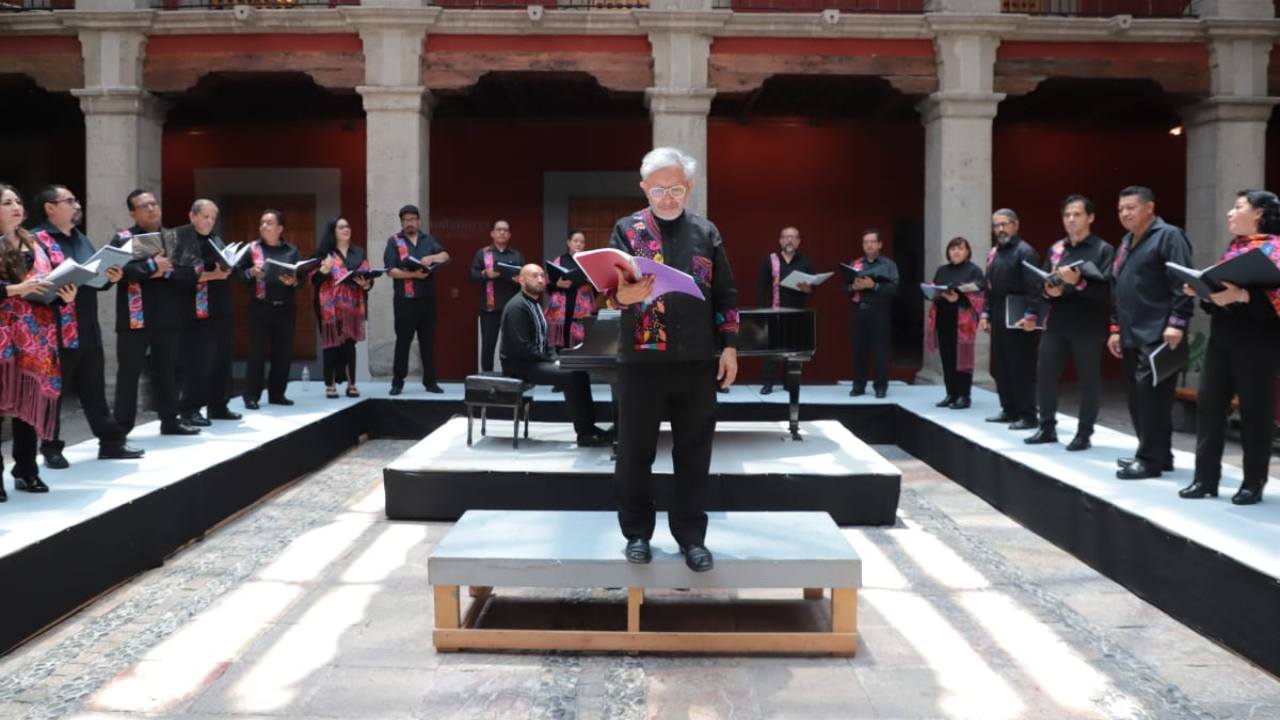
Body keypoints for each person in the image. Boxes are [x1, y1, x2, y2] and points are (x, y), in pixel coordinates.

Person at [609, 147, 738, 573]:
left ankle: (691, 537)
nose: (668, 196)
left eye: (676, 188)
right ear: (644, 188)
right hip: (641, 363)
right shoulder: (627, 230)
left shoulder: (707, 232)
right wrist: (622, 295)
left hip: (697, 362)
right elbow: (611, 291)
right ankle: (637, 534)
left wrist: (731, 347)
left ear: (690, 188)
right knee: (634, 454)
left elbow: (726, 295)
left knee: (694, 454)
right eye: (659, 188)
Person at [1178, 190, 1280, 504]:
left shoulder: (1275, 248)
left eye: (1237, 207)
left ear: (1259, 213)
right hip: (1222, 339)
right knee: (1209, 406)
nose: (1229, 213)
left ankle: (1253, 483)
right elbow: (1222, 294)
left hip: (1258, 343)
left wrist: (1242, 297)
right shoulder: (1234, 248)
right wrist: (1205, 291)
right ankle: (1205, 478)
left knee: (1254, 413)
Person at [31, 185, 140, 466]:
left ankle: (111, 443)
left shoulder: (82, 239)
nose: (77, 205)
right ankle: (51, 447)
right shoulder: (36, 240)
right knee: (52, 392)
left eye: (76, 200)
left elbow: (96, 282)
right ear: (50, 208)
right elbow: (35, 287)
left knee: (94, 389)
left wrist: (111, 276)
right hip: (54, 330)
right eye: (70, 201)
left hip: (87, 326)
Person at [1108, 186, 1193, 480]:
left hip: (1159, 333)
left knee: (1151, 398)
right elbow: (1117, 287)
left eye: (1131, 207)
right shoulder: (1126, 241)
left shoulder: (1169, 236)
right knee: (1137, 396)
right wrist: (1115, 327)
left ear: (1149, 208)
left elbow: (1183, 281)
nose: (1125, 214)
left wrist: (1178, 321)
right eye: (1120, 209)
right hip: (1131, 332)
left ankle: (1149, 459)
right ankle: (1159, 453)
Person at [1025, 195, 1115, 451]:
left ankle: (1084, 433)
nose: (1071, 219)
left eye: (1076, 214)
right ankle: (1046, 427)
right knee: (1045, 375)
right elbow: (1042, 284)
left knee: (1088, 380)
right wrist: (1048, 292)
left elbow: (1107, 292)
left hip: (1088, 324)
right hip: (1057, 322)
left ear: (1090, 217)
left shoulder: (1102, 249)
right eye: (1067, 215)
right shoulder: (1056, 249)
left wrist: (1079, 283)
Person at [113, 189, 200, 437]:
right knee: (128, 373)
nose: (151, 208)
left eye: (154, 204)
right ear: (132, 213)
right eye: (143, 206)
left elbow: (191, 275)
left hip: (168, 315)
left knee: (168, 370)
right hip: (134, 316)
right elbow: (116, 273)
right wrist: (151, 266)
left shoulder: (176, 238)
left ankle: (170, 420)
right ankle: (121, 428)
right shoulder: (122, 239)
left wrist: (167, 271)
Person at [0, 184, 66, 500]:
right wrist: (20, 289)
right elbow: (20, 288)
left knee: (28, 404)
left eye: (17, 200)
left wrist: (65, 294)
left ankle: (27, 471)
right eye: (6, 202)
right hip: (3, 336)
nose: (15, 206)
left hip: (35, 335)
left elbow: (47, 287)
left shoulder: (35, 242)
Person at [499, 264, 609, 446]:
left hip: (533, 362)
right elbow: (522, 348)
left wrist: (557, 358)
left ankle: (589, 428)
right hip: (519, 366)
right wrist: (553, 361)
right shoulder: (517, 306)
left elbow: (545, 340)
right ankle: (585, 434)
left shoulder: (534, 303)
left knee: (578, 370)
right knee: (571, 375)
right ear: (521, 280)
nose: (540, 279)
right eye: (534, 276)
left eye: (542, 276)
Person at [178, 199, 240, 427]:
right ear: (192, 216)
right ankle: (190, 409)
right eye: (205, 216)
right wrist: (214, 275)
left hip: (220, 306)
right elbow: (182, 274)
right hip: (197, 310)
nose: (210, 221)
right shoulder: (183, 238)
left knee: (221, 360)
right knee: (198, 362)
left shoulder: (215, 238)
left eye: (213, 217)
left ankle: (219, 405)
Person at [980, 209, 1041, 430]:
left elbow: (1035, 287)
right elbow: (989, 286)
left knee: (1020, 367)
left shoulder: (1025, 252)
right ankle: (1009, 409)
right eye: (996, 225)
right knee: (1001, 365)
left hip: (1019, 315)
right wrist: (985, 313)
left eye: (1004, 224)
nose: (1000, 229)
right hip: (998, 312)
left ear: (1016, 225)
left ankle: (1028, 415)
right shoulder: (994, 253)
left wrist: (1031, 315)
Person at [237, 209, 301, 409]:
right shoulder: (251, 249)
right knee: (257, 352)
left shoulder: (291, 251)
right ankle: (251, 396)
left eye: (269, 222)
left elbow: (302, 278)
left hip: (285, 308)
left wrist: (294, 281)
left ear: (280, 228)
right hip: (259, 307)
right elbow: (236, 273)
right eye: (261, 222)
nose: (263, 226)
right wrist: (250, 272)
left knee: (283, 352)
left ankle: (277, 394)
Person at [384, 204, 448, 396]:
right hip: (405, 300)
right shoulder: (394, 241)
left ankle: (430, 382)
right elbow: (391, 271)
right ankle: (397, 382)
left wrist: (431, 257)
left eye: (413, 219)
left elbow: (446, 256)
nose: (409, 223)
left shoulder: (428, 240)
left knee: (427, 342)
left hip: (427, 299)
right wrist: (414, 274)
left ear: (419, 221)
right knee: (403, 341)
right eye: (405, 220)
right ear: (401, 222)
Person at [314, 217, 374, 398]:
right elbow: (314, 281)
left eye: (347, 226)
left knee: (350, 345)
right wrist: (324, 271)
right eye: (341, 227)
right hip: (329, 307)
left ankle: (351, 384)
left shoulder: (358, 252)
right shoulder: (324, 253)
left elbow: (368, 279)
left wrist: (366, 285)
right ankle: (330, 385)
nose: (346, 229)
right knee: (331, 344)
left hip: (352, 306)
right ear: (333, 232)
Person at [926, 236, 985, 410]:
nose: (956, 252)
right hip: (944, 319)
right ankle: (951, 394)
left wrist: (957, 298)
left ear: (967, 252)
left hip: (963, 322)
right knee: (947, 358)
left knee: (963, 358)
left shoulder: (973, 271)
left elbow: (980, 295)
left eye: (960, 248)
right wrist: (934, 292)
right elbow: (934, 288)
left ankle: (964, 396)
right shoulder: (942, 270)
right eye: (952, 249)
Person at [756, 226, 813, 395]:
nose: (789, 240)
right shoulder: (770, 260)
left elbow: (812, 289)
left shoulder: (805, 262)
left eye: (793, 237)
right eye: (786, 237)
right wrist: (762, 311)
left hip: (796, 312)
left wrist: (807, 288)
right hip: (774, 310)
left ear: (799, 241)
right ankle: (768, 382)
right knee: (771, 349)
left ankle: (790, 383)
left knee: (793, 349)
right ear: (780, 240)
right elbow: (761, 287)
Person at [846, 229, 898, 398]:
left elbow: (894, 288)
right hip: (859, 311)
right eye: (865, 242)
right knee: (859, 350)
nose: (869, 245)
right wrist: (853, 287)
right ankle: (858, 385)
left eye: (872, 241)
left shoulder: (888, 265)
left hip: (879, 311)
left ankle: (880, 387)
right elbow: (845, 288)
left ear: (880, 244)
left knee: (880, 351)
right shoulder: (855, 264)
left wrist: (873, 286)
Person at [469, 220, 523, 372]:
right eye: (499, 229)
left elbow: (525, 278)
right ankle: (487, 377)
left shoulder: (516, 255)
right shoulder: (483, 253)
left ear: (509, 234)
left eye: (505, 230)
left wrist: (519, 280)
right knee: (488, 345)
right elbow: (472, 275)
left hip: (511, 307)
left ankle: (512, 378)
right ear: (492, 233)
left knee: (512, 345)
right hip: (490, 307)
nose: (502, 232)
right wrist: (485, 273)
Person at [544, 229, 595, 351]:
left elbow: (598, 287)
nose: (578, 244)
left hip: (581, 309)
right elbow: (547, 284)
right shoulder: (560, 260)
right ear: (569, 243)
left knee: (581, 345)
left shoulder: (588, 261)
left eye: (581, 242)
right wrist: (558, 284)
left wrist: (591, 284)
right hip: (561, 308)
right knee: (562, 345)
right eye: (575, 241)